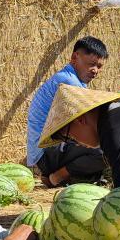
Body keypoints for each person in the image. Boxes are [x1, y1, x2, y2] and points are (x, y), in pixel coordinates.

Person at [25, 36, 108, 188]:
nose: (95, 70)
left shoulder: (70, 79)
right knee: (107, 149)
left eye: (99, 66)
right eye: (91, 64)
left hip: (49, 152)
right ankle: (56, 177)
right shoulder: (69, 82)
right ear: (75, 57)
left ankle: (60, 176)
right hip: (46, 153)